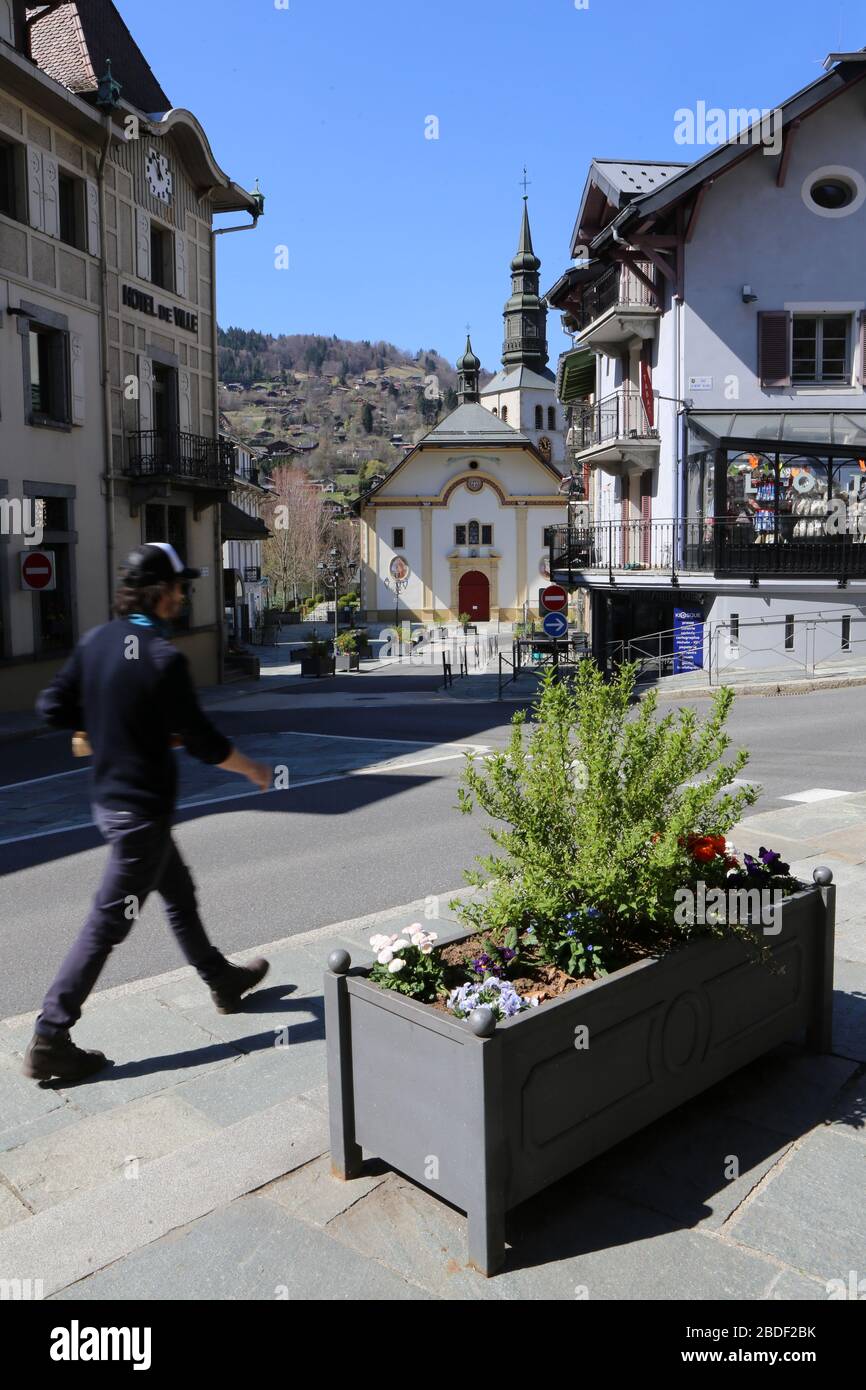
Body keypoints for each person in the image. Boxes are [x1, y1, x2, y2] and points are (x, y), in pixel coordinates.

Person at [23, 543, 273, 1084]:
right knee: (108, 923)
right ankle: (50, 1034)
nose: (184, 597)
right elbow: (205, 742)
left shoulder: (98, 642)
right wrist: (252, 769)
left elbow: (51, 706)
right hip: (141, 818)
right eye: (180, 587)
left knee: (178, 891)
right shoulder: (163, 658)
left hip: (114, 806)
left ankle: (220, 979)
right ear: (161, 593)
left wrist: (92, 727)